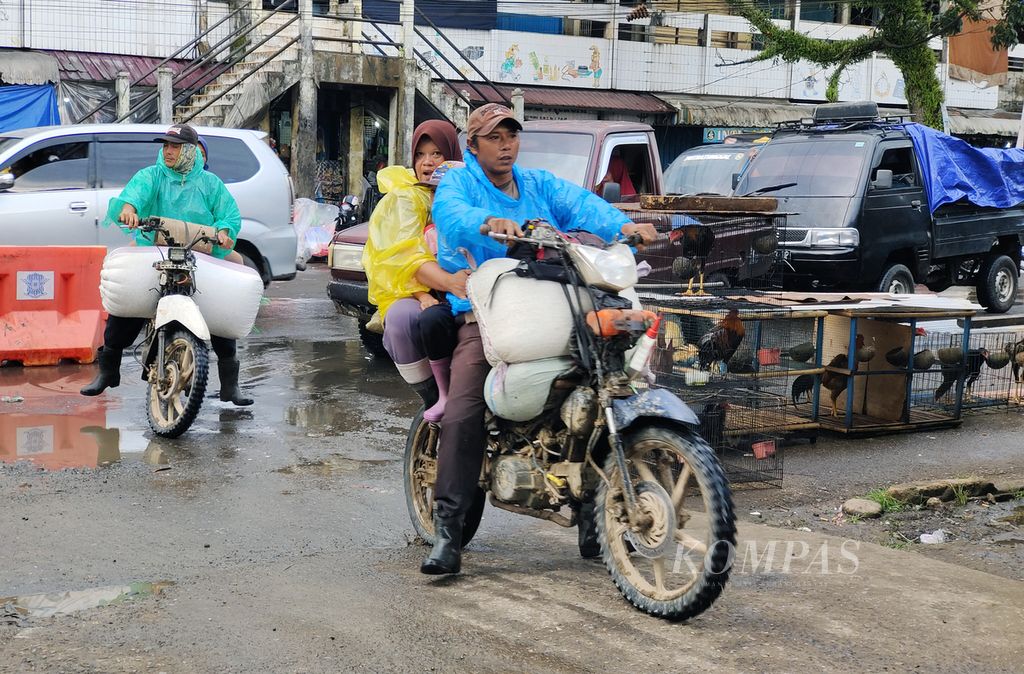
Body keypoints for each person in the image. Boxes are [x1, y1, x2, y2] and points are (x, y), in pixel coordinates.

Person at [421, 103, 657, 575]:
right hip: (485, 312)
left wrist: (624, 226)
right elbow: (452, 216)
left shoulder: (538, 183)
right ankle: (448, 529)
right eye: (495, 137)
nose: (507, 144)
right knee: (465, 410)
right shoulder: (459, 183)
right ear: (473, 145)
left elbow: (583, 204)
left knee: (603, 384)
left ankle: (595, 516)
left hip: (551, 306)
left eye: (511, 135)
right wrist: (488, 223)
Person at [80, 123, 253, 407]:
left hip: (200, 253)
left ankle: (229, 385)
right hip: (156, 249)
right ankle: (108, 370)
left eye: (175, 146)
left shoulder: (211, 184)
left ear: (191, 151)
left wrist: (223, 232)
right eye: (166, 146)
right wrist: (128, 211)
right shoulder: (152, 176)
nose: (168, 151)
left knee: (222, 305)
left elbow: (228, 215)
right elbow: (133, 197)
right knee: (129, 299)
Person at [362, 121, 467, 420]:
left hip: (466, 286)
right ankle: (433, 395)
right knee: (402, 318)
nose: (428, 162)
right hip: (419, 289)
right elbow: (404, 257)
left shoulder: (469, 190)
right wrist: (426, 294)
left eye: (437, 153)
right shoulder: (406, 197)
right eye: (420, 155)